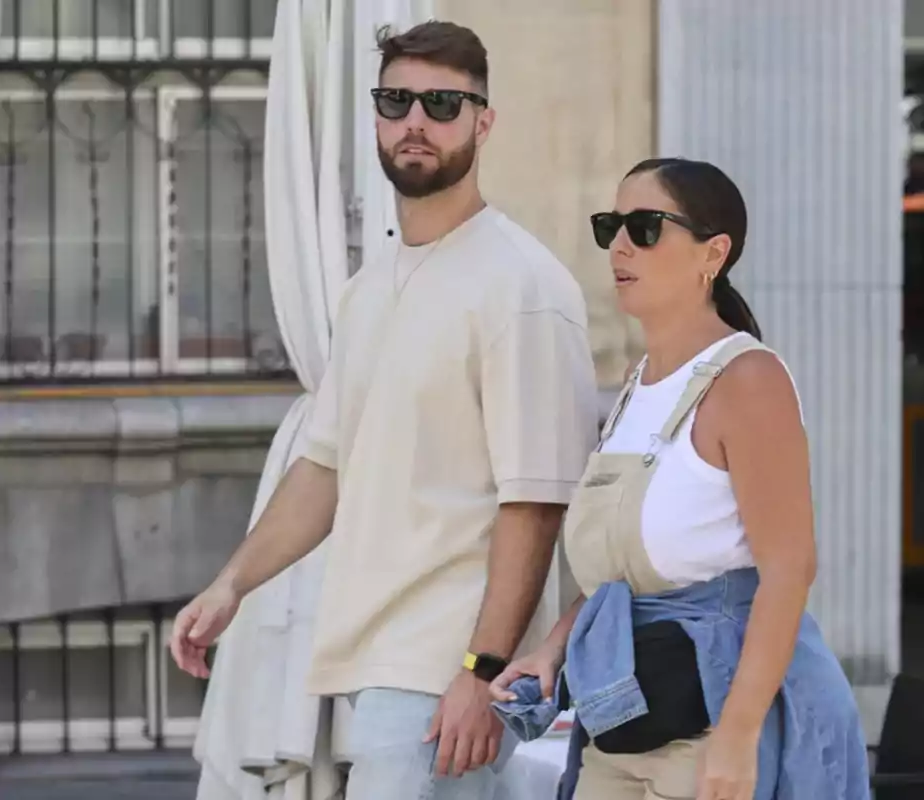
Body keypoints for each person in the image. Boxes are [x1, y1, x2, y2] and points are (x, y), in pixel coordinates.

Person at [169, 20, 599, 800]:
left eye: (442, 104)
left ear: (483, 121)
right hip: (368, 661)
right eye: (396, 100)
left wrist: (483, 669)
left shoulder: (523, 288)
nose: (416, 123)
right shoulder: (367, 291)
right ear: (374, 115)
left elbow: (535, 503)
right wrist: (231, 584)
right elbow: (325, 466)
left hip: (449, 673)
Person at [489, 158, 871, 800]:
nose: (618, 245)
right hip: (623, 722)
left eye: (644, 226)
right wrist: (551, 651)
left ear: (713, 253)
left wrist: (739, 735)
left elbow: (789, 568)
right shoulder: (640, 386)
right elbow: (625, 579)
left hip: (712, 720)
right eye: (610, 225)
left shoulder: (748, 380)